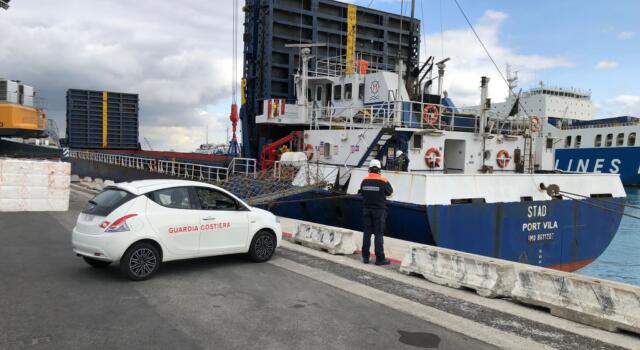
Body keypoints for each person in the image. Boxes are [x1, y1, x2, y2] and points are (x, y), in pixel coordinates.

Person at [359, 159, 394, 265]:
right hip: (379, 211)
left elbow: (362, 193)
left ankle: (365, 257)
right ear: (379, 169)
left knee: (367, 233)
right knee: (378, 234)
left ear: (370, 169)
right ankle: (379, 259)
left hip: (366, 210)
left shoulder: (364, 180)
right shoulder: (383, 180)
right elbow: (390, 193)